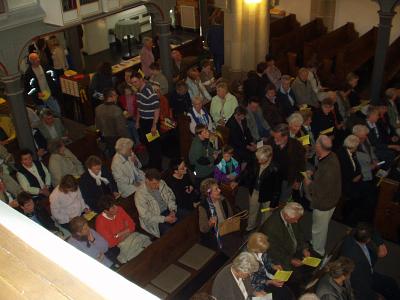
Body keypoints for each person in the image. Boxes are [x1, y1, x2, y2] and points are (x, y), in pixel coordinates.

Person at [340, 223, 400, 300]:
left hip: (367, 272)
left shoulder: (354, 235)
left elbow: (370, 228)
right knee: (390, 286)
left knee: (391, 283)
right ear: (368, 239)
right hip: (365, 277)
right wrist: (375, 297)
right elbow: (360, 287)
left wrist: (380, 243)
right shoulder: (357, 261)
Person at [303, 135, 341, 256]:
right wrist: (314, 173)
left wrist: (308, 182)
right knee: (321, 227)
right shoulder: (331, 156)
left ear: (319, 146)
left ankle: (317, 252)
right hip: (332, 199)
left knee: (319, 229)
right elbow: (321, 171)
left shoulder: (328, 169)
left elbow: (319, 190)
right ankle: (315, 242)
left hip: (324, 203)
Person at [96, 195, 151, 264]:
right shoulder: (100, 221)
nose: (116, 208)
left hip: (133, 236)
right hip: (121, 246)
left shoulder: (119, 209)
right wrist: (126, 230)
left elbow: (132, 225)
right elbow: (110, 243)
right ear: (105, 211)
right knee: (138, 255)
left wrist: (117, 235)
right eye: (112, 207)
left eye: (115, 205)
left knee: (147, 244)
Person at [260, 202, 310, 270]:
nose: (296, 222)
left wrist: (304, 248)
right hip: (281, 257)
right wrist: (290, 260)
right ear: (286, 216)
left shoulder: (291, 216)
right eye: (295, 219)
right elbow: (273, 251)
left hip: (294, 249)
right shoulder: (270, 228)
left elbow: (299, 233)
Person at [247, 232, 295, 300]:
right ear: (256, 249)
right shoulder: (248, 261)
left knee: (286, 292)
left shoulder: (261, 251)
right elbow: (252, 281)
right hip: (259, 286)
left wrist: (273, 266)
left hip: (268, 277)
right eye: (262, 250)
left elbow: (267, 261)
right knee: (281, 294)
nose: (264, 252)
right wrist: (269, 282)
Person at [267, 124, 306, 203]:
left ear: (285, 137)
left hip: (288, 178)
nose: (274, 140)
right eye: (274, 137)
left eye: (277, 138)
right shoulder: (271, 141)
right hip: (274, 177)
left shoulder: (296, 146)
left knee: (284, 198)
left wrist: (298, 180)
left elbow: (302, 164)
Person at [134, 168, 179, 237]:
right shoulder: (140, 195)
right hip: (155, 220)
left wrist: (172, 210)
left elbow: (170, 198)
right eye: (154, 183)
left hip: (168, 211)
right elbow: (145, 216)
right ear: (147, 180)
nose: (157, 186)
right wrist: (164, 219)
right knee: (170, 233)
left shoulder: (161, 183)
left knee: (186, 216)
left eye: (158, 182)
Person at [131, 72, 162, 170]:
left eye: (135, 82)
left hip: (151, 122)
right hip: (143, 121)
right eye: (132, 83)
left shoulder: (148, 91)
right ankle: (152, 163)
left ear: (141, 80)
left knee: (154, 146)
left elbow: (156, 108)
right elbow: (140, 107)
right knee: (147, 144)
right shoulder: (139, 91)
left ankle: (158, 167)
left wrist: (154, 125)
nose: (134, 84)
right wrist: (137, 121)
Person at [247, 145, 281, 231]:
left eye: (261, 160)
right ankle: (250, 226)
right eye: (258, 159)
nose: (258, 161)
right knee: (252, 210)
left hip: (268, 195)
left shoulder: (275, 168)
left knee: (266, 215)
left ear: (269, 158)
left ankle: (263, 230)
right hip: (255, 191)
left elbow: (277, 188)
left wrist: (273, 203)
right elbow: (247, 172)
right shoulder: (256, 160)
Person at [198, 178, 233, 250]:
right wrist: (210, 223)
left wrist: (229, 223)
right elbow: (203, 229)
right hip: (215, 236)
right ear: (208, 193)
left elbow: (230, 215)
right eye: (216, 189)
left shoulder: (223, 200)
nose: (220, 190)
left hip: (227, 230)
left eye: (218, 188)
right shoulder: (203, 207)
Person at [95, 88, 129, 157]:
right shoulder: (116, 110)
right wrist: (126, 140)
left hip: (104, 137)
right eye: (115, 95)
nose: (117, 97)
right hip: (115, 138)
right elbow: (121, 129)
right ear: (111, 97)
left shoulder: (98, 108)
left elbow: (97, 125)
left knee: (110, 156)